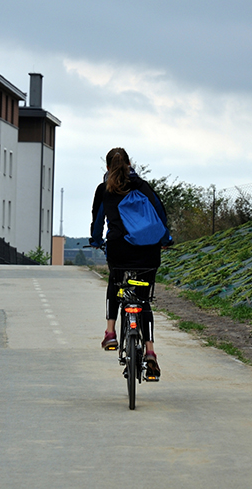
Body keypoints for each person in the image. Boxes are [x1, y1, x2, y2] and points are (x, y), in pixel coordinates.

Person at [89, 147, 172, 381]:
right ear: (129, 164)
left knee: (116, 284)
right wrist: (166, 240)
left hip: (119, 250)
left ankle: (110, 332)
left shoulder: (103, 189)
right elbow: (160, 214)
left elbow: (97, 222)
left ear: (107, 168)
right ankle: (150, 351)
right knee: (143, 300)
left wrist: (96, 241)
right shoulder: (142, 186)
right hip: (147, 252)